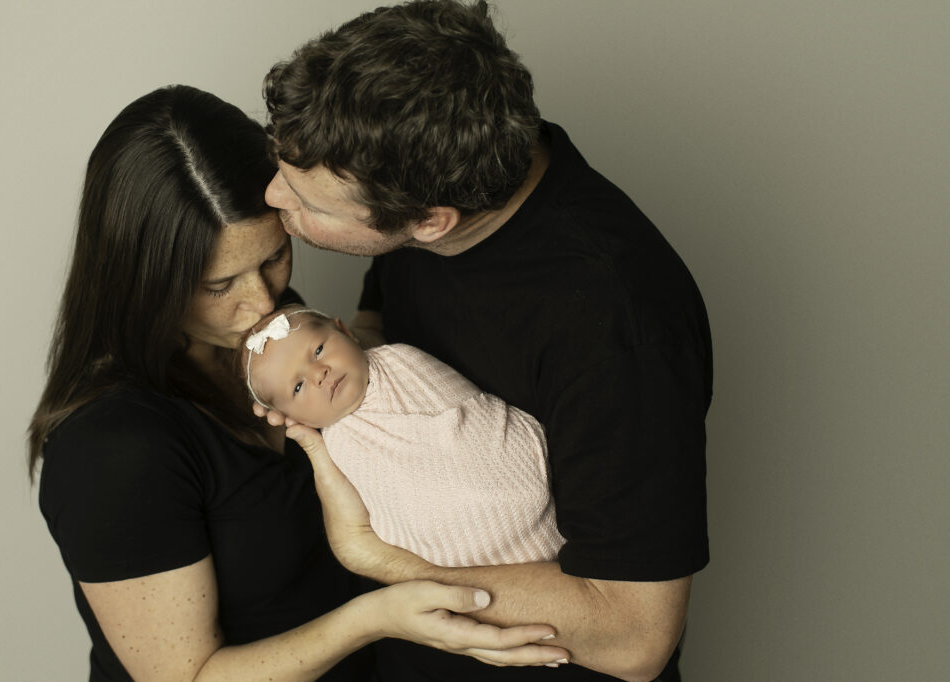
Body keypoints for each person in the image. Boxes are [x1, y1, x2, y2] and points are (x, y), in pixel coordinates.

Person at [27, 84, 572, 682]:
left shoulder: (279, 349)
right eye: (218, 286)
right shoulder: (111, 449)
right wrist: (377, 616)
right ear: (142, 280)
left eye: (273, 257)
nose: (261, 300)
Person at [260, 1, 712, 680]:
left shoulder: (620, 325)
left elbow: (634, 637)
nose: (273, 199)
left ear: (432, 222)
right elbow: (384, 333)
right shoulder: (430, 162)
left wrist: (378, 557)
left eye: (309, 203)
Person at [238, 305, 565, 568]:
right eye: (298, 387)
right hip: (462, 563)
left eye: (319, 350)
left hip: (531, 498)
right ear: (293, 418)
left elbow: (469, 415)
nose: (319, 374)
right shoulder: (333, 448)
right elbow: (384, 509)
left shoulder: (400, 360)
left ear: (346, 331)